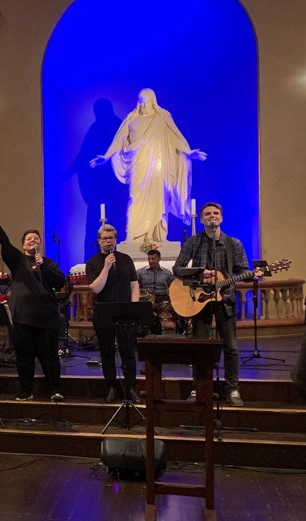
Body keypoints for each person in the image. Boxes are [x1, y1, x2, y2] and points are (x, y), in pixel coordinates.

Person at [89, 88, 207, 243]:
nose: (143, 106)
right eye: (140, 102)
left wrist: (189, 152)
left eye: (146, 102)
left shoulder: (162, 118)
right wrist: (106, 156)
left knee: (159, 201)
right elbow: (119, 140)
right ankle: (133, 236)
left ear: (153, 102)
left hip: (158, 166)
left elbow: (175, 138)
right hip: (138, 165)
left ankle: (158, 236)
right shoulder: (131, 119)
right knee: (135, 198)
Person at [173, 202, 261, 406]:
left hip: (226, 300)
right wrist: (199, 274)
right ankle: (199, 387)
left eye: (215, 213)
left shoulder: (233, 244)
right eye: (207, 214)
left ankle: (233, 389)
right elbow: (178, 269)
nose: (212, 216)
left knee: (231, 347)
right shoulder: (194, 242)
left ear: (221, 217)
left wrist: (252, 275)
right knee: (200, 347)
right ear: (202, 219)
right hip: (200, 301)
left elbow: (243, 271)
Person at [0, 208, 66, 401]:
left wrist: (43, 265)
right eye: (29, 238)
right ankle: (25, 391)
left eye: (36, 238)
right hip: (22, 317)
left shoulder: (48, 262)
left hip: (46, 317)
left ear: (41, 243)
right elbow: (5, 244)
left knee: (49, 356)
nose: (33, 240)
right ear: (23, 244)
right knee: (24, 357)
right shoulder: (18, 261)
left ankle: (54, 390)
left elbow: (59, 282)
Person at [85, 224, 141, 404]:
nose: (108, 241)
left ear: (116, 240)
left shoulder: (125, 259)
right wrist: (106, 267)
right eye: (105, 238)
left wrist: (134, 306)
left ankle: (130, 387)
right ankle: (112, 387)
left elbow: (134, 285)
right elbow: (96, 288)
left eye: (111, 238)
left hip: (125, 311)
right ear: (99, 241)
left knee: (128, 352)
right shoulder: (93, 262)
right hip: (104, 312)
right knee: (107, 352)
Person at [137, 248, 183, 335]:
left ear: (159, 259)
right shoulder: (140, 272)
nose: (150, 261)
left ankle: (178, 330)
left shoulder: (167, 273)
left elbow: (174, 286)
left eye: (153, 258)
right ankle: (147, 330)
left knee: (176, 307)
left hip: (162, 299)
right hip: (146, 299)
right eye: (149, 259)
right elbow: (135, 286)